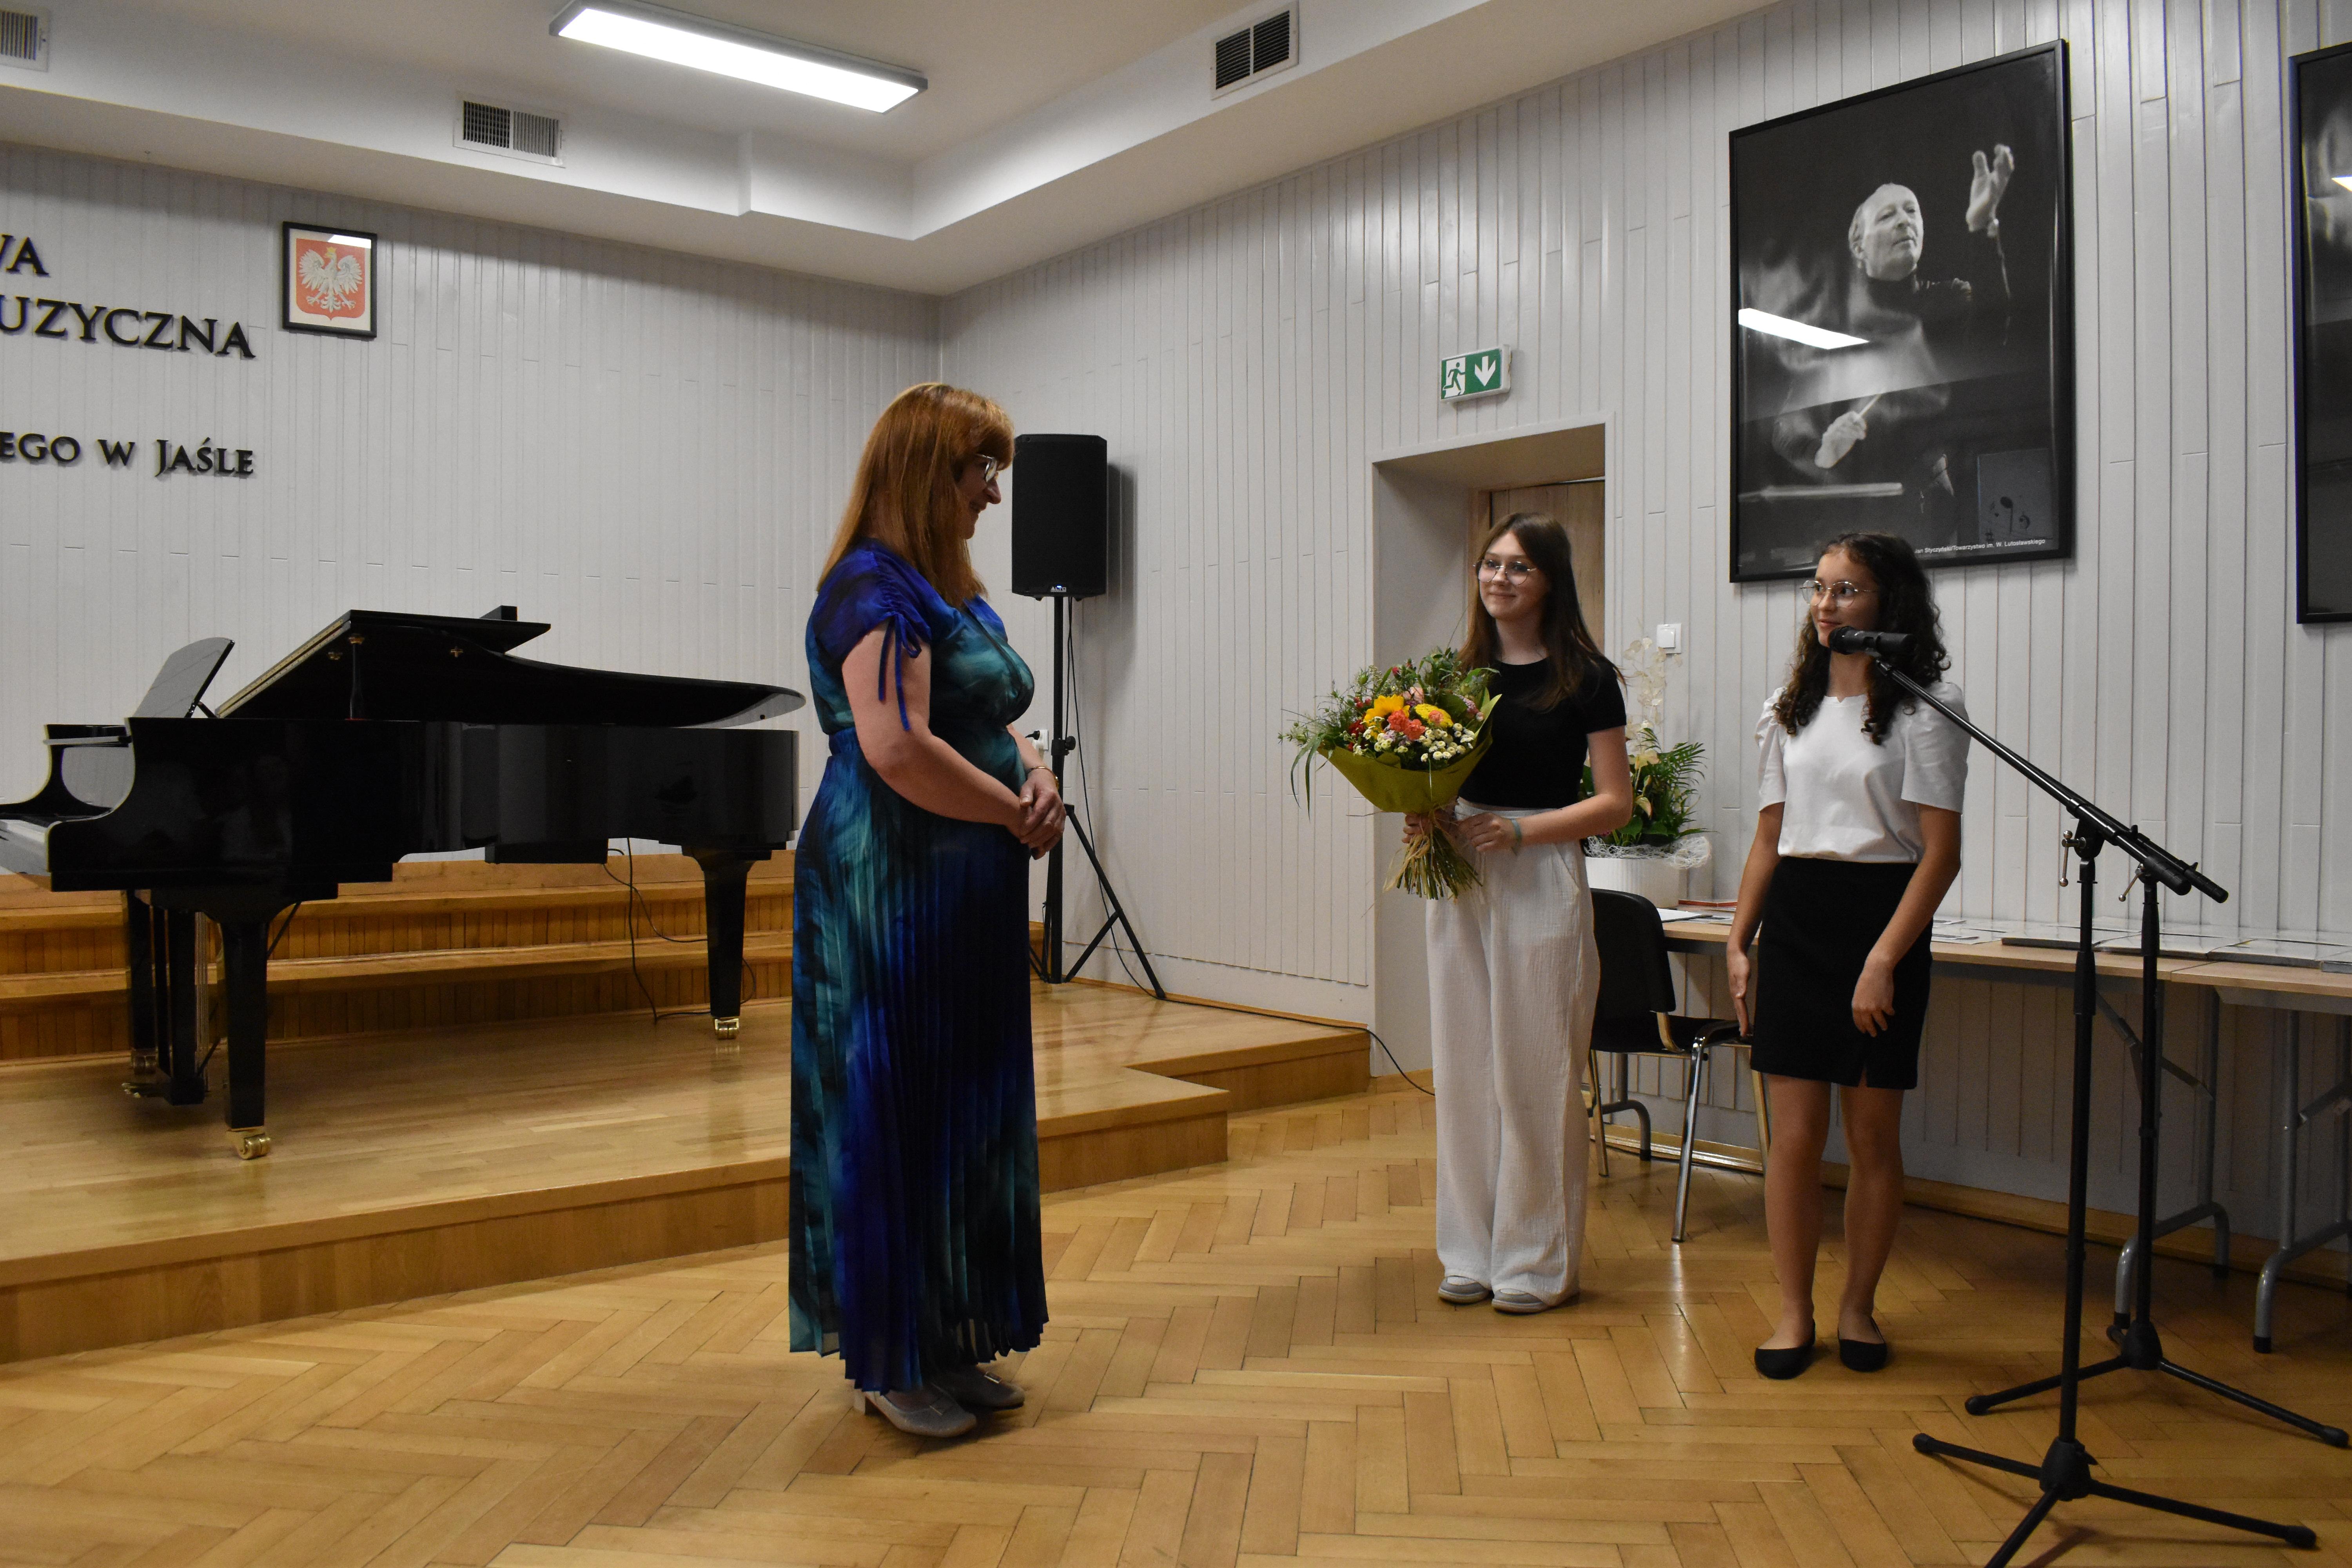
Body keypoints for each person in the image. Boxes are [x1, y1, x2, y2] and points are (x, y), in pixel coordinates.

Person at [790, 383, 1065, 1438]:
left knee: (963, 1109)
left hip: (964, 881)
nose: (994, 493)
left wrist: (1034, 772)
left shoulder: (952, 590)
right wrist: (1013, 810)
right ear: (923, 472)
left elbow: (994, 712)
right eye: (980, 471)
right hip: (892, 881)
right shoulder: (872, 588)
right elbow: (896, 746)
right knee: (897, 1107)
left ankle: (949, 1334)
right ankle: (889, 1355)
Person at [1723, 531, 1967, 1378]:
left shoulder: (1927, 704)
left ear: (1888, 601)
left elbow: (1941, 854)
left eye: (1848, 589)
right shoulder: (1788, 706)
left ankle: (1858, 1306)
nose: (1826, 605)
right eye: (1819, 588)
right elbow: (1768, 837)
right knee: (1794, 1138)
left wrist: (1884, 959)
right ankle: (1794, 1312)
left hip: (1883, 918)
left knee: (1872, 1135)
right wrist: (1739, 940)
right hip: (1797, 919)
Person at [1410, 514, 1632, 1314]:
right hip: (1463, 870)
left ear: (1549, 581)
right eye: (1490, 564)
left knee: (1535, 1070)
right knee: (1464, 1067)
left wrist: (1522, 830)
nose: (1499, 579)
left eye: (1519, 567)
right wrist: (1426, 813)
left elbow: (1615, 802)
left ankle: (1537, 1262)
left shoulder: (1587, 677)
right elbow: (1431, 772)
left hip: (1541, 868)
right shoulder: (1456, 675)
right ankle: (1470, 1251)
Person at [1761, 149, 2018, 545]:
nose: (1904, 221)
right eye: (1887, 216)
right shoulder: (1829, 328)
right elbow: (1784, 427)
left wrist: (1984, 229)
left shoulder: (1949, 297)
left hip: (1928, 516)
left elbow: (1994, 335)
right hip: (1846, 524)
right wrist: (1821, 453)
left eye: (1912, 211)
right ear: (1858, 246)